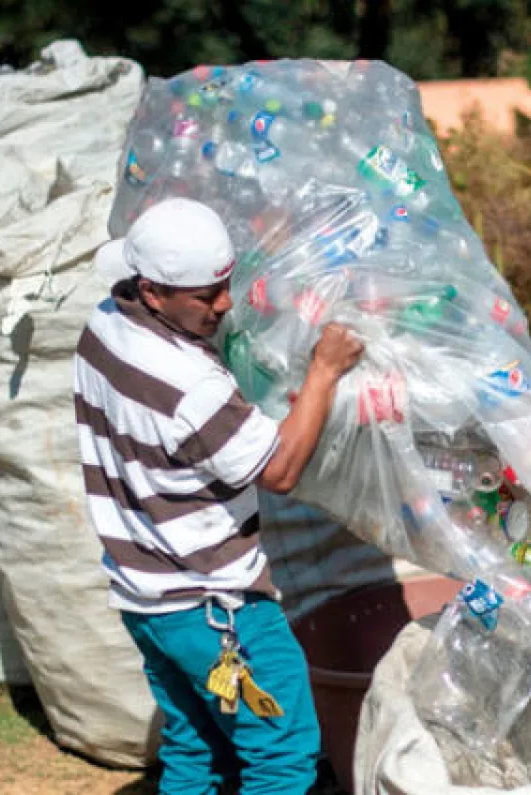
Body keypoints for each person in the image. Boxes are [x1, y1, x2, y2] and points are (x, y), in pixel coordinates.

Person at [73, 197, 363, 794]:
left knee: (195, 749)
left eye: (225, 286)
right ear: (153, 291)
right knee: (282, 756)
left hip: (145, 600)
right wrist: (324, 372)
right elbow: (280, 468)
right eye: (207, 297)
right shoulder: (189, 387)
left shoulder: (104, 324)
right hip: (217, 609)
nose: (225, 304)